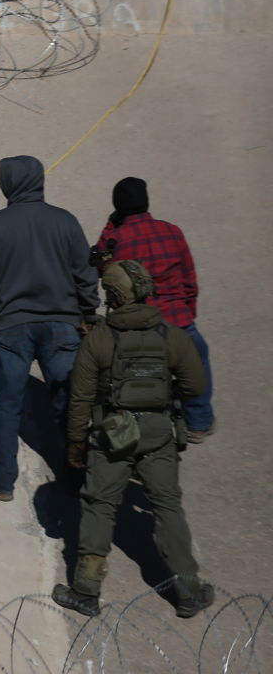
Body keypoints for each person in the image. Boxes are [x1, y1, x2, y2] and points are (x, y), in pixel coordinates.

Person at [54, 260, 212, 619]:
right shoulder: (171, 335)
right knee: (167, 506)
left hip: (113, 434)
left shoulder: (98, 339)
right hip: (158, 433)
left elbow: (79, 399)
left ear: (113, 295)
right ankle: (188, 590)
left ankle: (86, 591)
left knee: (99, 506)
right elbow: (195, 386)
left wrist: (76, 444)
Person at [0, 156, 100, 502]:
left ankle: (0, 479)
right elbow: (86, 275)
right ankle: (78, 476)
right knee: (70, 402)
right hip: (63, 328)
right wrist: (87, 312)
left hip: (11, 329)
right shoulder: (65, 221)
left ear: (6, 184)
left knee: (6, 404)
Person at [94, 177, 214, 443]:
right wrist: (186, 315)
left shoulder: (114, 239)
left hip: (138, 327)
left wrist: (109, 228)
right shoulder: (173, 231)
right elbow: (189, 282)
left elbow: (101, 270)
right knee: (198, 357)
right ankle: (199, 422)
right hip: (178, 322)